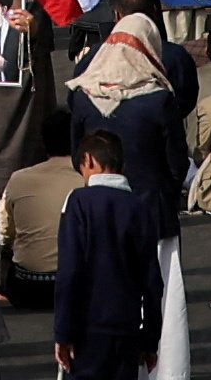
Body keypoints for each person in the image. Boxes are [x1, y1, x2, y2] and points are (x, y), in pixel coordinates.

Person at [55, 133, 168, 380]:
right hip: (126, 327)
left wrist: (63, 332)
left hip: (86, 327)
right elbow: (152, 281)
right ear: (123, 166)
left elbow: (69, 270)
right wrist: (150, 338)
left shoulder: (79, 202)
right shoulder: (139, 207)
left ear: (88, 160)